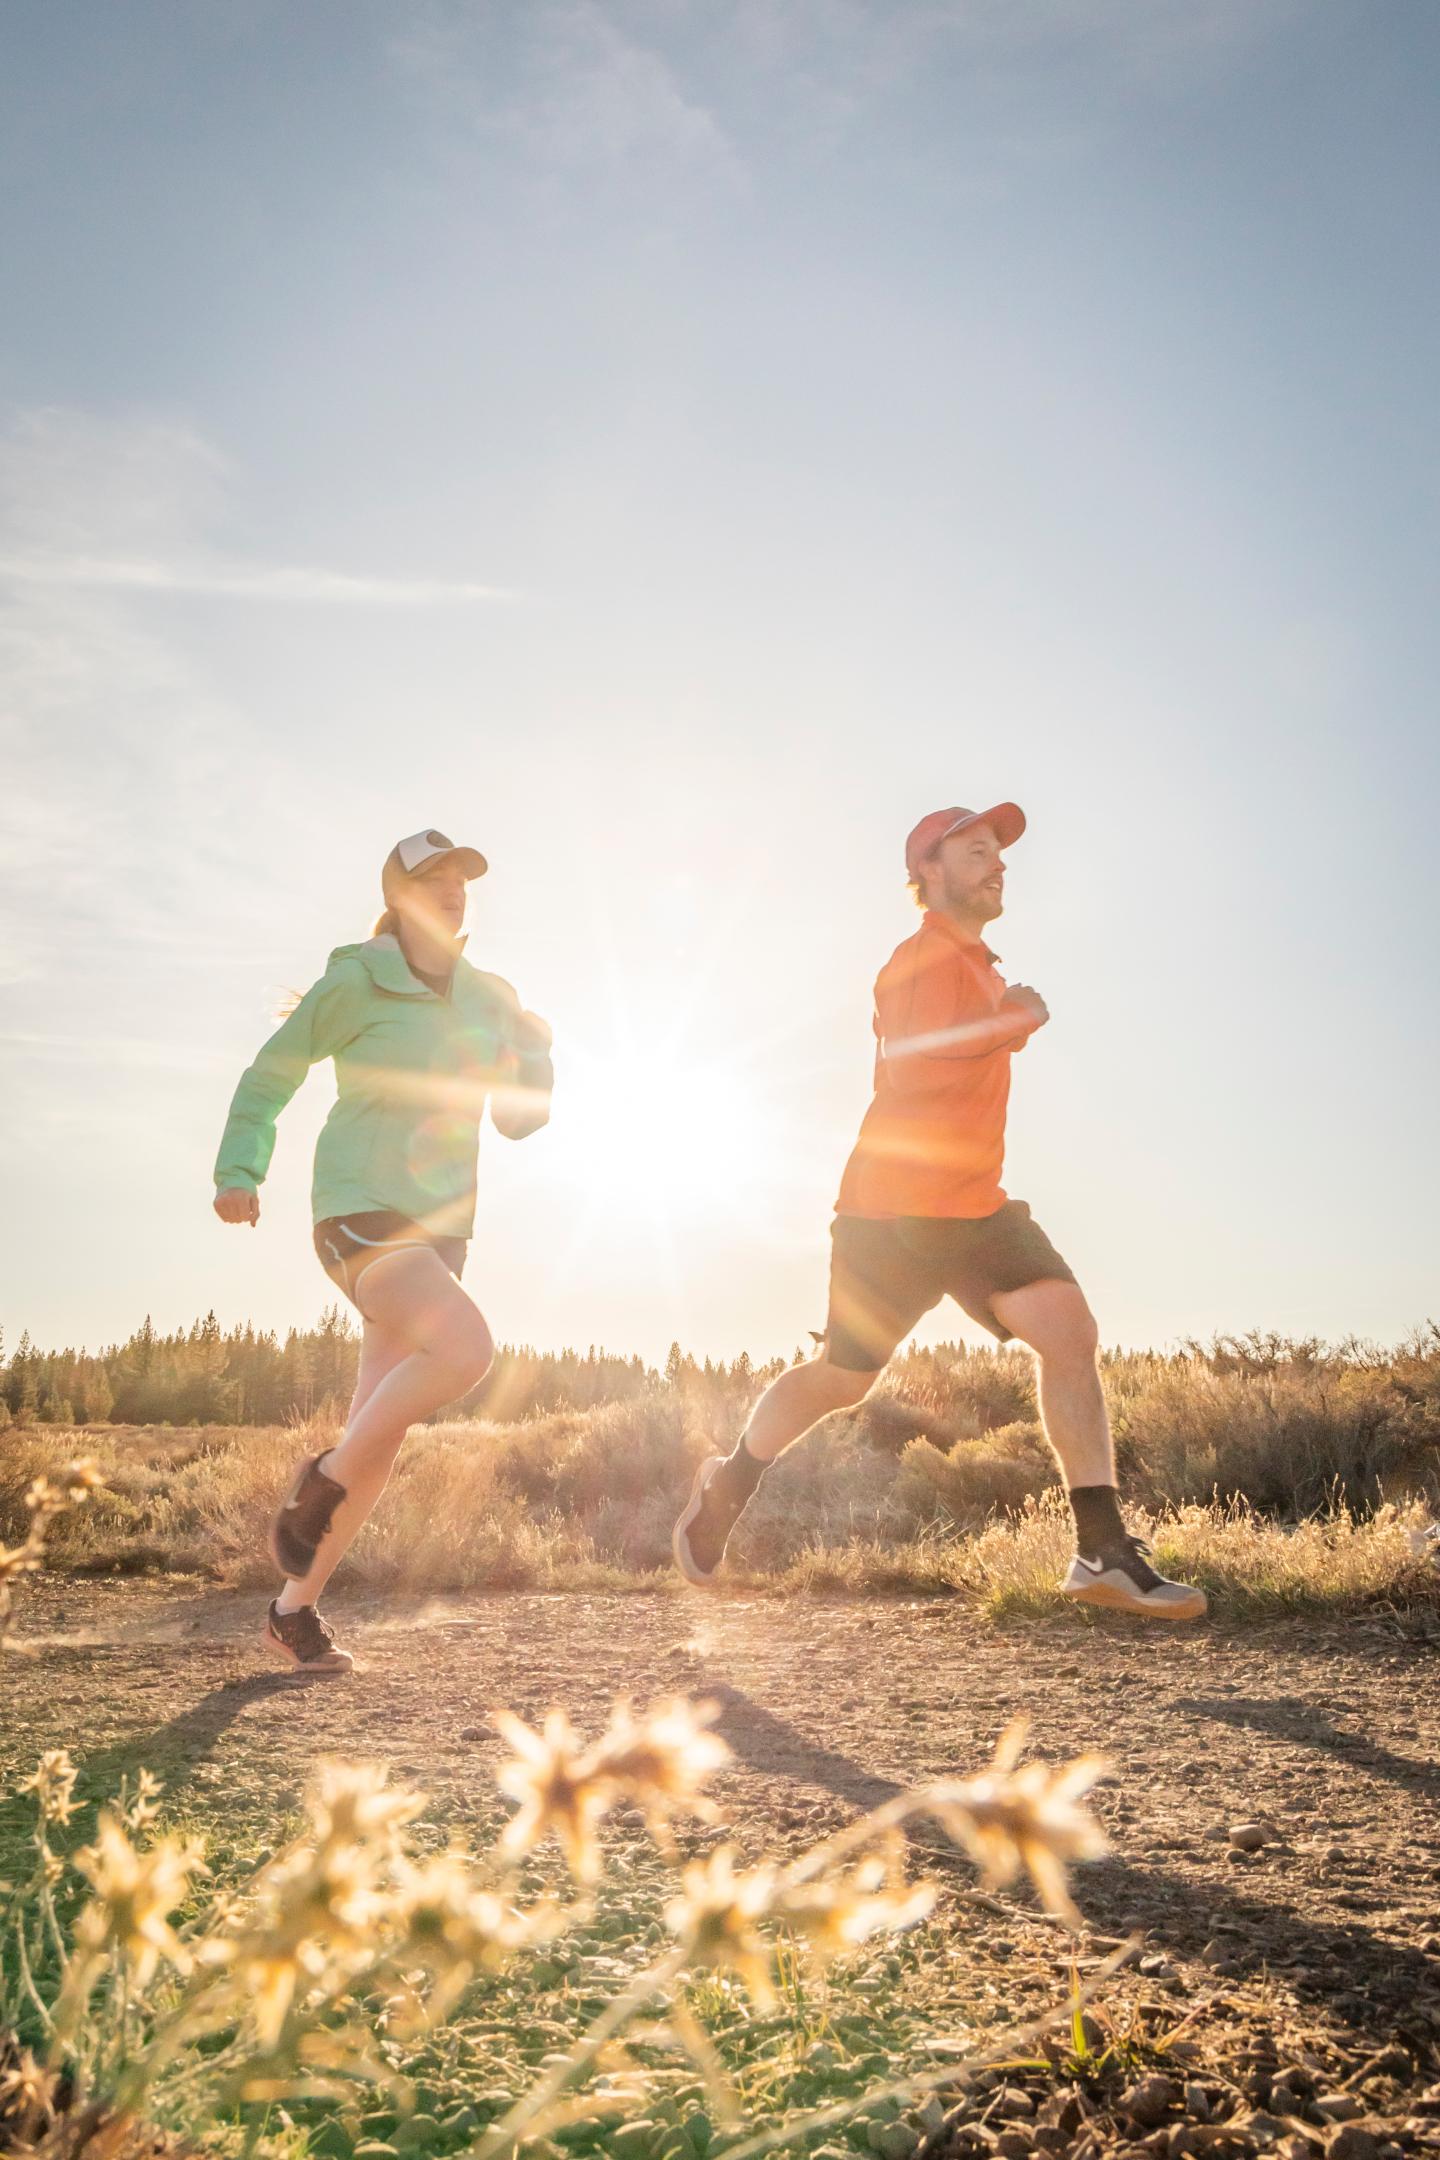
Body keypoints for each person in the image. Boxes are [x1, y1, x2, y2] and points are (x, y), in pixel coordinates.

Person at [673, 803, 1206, 1622]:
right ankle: (730, 1481)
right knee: (843, 1382)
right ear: (929, 870)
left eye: (1000, 853)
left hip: (975, 1209)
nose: (998, 864)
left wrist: (1003, 1014)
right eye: (978, 850)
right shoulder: (917, 958)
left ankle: (1101, 1551)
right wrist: (1015, 1022)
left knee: (1069, 1332)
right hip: (889, 1216)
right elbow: (915, 1063)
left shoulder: (980, 962)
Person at [213, 828, 553, 1674]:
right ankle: (319, 1478)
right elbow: (271, 1074)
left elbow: (518, 1119)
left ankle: (293, 1612)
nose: (452, 891)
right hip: (360, 1210)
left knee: (382, 1430)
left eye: (461, 879)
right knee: (468, 1351)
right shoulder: (356, 980)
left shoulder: (489, 995)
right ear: (398, 895)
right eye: (432, 878)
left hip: (442, 1228)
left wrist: (537, 1051)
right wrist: (238, 1168)